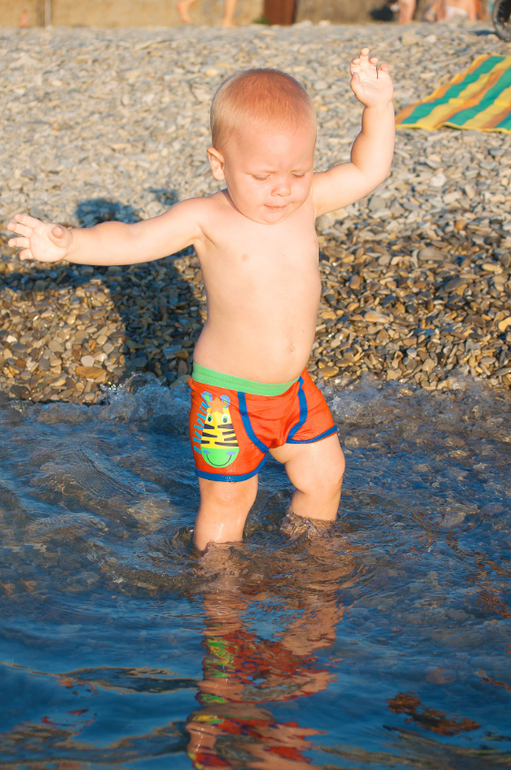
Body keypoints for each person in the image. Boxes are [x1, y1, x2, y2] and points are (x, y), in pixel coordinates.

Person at [7, 49, 395, 553]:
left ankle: (309, 565)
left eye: (299, 172)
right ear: (219, 164)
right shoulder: (206, 218)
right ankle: (218, 591)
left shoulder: (308, 201)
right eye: (262, 177)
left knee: (325, 476)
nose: (282, 190)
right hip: (225, 400)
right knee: (229, 501)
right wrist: (70, 243)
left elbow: (368, 168)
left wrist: (377, 106)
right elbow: (133, 238)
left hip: (292, 390)